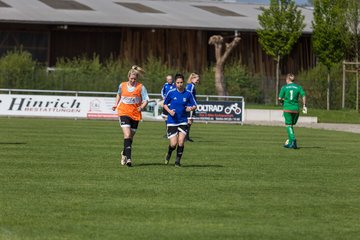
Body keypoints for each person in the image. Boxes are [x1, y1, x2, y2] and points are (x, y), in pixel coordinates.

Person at [112, 65, 149, 167]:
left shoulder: (141, 87)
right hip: (123, 112)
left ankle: (124, 153)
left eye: (134, 79)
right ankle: (129, 159)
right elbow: (119, 94)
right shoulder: (122, 85)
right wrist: (116, 104)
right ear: (128, 77)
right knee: (127, 135)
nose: (132, 80)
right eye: (131, 78)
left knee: (130, 138)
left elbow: (146, 100)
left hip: (135, 114)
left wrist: (141, 107)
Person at [163, 73, 197, 167]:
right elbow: (165, 104)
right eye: (178, 82)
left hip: (183, 120)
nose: (180, 84)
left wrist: (190, 109)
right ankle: (169, 153)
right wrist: (170, 111)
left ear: (183, 82)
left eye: (181, 82)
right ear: (175, 83)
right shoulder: (171, 92)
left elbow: (194, 105)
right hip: (172, 121)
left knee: (181, 141)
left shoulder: (188, 93)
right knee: (173, 144)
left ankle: (177, 161)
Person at [278, 73, 307, 149]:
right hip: (296, 109)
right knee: (291, 125)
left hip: (287, 109)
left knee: (288, 125)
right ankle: (290, 143)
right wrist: (304, 105)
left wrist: (282, 102)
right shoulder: (298, 87)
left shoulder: (284, 87)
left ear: (287, 79)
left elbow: (280, 98)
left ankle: (293, 140)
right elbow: (303, 95)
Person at [185, 72, 200, 142]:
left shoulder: (189, 85)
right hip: (191, 106)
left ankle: (186, 136)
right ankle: (186, 137)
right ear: (192, 79)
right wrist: (194, 104)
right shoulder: (191, 86)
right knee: (189, 121)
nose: (198, 80)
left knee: (189, 121)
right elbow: (189, 95)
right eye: (197, 79)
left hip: (189, 105)